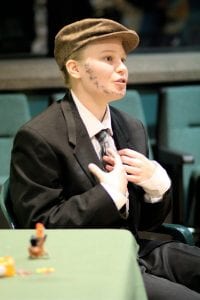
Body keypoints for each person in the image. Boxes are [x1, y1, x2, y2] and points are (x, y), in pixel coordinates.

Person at [10, 18, 200, 299]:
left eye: (122, 59)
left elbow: (145, 223)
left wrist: (156, 189)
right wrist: (107, 195)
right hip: (84, 264)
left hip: (134, 250)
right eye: (108, 58)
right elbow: (39, 230)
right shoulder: (39, 136)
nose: (122, 68)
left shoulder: (131, 126)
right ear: (75, 68)